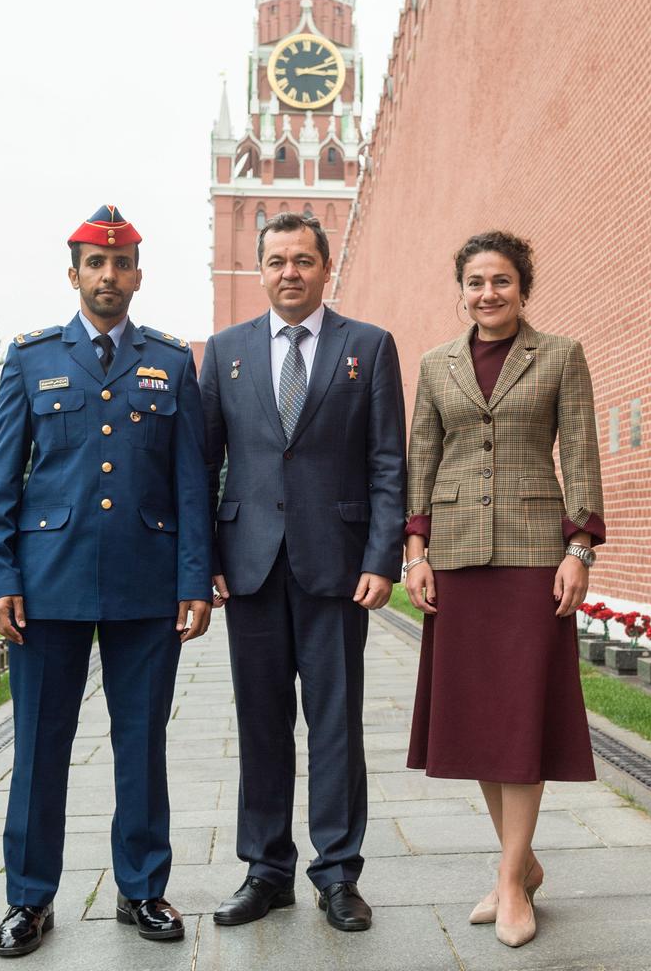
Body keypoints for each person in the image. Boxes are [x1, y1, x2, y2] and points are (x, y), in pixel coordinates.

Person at [0, 205, 212, 957]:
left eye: (120, 265)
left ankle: (141, 888)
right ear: (73, 273)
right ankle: (29, 898)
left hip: (146, 588)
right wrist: (0, 577)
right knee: (40, 746)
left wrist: (193, 581)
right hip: (47, 588)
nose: (107, 276)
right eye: (93, 263)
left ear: (137, 276)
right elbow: (0, 483)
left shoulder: (173, 362)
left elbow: (191, 483)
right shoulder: (30, 358)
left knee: (140, 743)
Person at [199, 212, 406, 933]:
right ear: (259, 270)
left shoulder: (369, 347)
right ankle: (265, 870)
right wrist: (204, 564)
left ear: (325, 269)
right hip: (248, 567)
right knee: (260, 724)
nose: (290, 271)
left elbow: (387, 462)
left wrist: (384, 558)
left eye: (303, 260)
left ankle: (339, 873)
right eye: (277, 260)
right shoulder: (223, 352)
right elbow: (202, 465)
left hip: (337, 567)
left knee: (335, 726)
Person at [404, 230, 604, 950]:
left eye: (500, 281)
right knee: (479, 722)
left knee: (520, 718)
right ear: (460, 290)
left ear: (523, 288)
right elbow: (420, 457)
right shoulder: (434, 365)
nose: (487, 293)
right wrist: (414, 552)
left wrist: (578, 548)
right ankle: (519, 866)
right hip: (455, 559)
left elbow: (579, 455)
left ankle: (510, 877)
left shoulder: (558, 356)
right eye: (475, 282)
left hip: (531, 555)